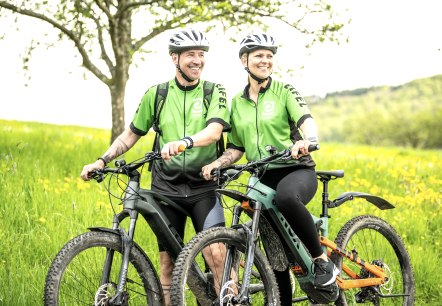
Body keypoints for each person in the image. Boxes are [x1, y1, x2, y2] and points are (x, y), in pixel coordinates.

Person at [81, 28, 230, 305]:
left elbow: (214, 132)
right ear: (175, 58)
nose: (197, 60)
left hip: (203, 187)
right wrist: (101, 160)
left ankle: (230, 300)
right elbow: (131, 134)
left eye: (201, 55)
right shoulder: (157, 94)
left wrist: (185, 142)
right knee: (167, 265)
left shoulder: (214, 91)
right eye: (190, 55)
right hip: (166, 188)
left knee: (217, 255)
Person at [202, 33, 339, 305]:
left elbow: (306, 120)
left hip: (295, 170)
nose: (265, 61)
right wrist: (218, 162)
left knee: (286, 198)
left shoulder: (284, 91)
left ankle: (322, 261)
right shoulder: (237, 104)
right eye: (258, 56)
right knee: (275, 257)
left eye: (269, 56)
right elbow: (236, 147)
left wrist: (308, 141)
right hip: (261, 179)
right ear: (245, 60)